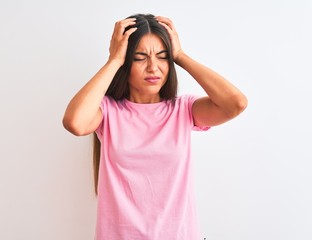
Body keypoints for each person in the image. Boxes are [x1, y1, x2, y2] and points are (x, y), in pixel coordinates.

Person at [63, 13, 247, 240]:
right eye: (140, 57)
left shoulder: (183, 110)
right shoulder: (108, 112)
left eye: (162, 57)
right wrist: (114, 60)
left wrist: (180, 55)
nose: (153, 67)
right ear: (126, 62)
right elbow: (74, 122)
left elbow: (236, 104)